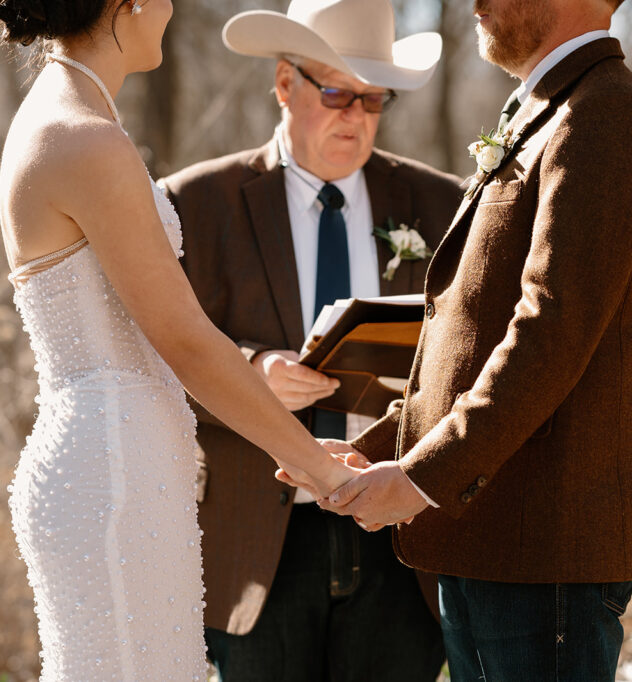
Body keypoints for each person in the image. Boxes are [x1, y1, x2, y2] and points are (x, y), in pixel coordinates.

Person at [285, 0, 632, 679]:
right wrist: (379, 453)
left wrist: (425, 477)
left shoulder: (606, 113)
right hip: (492, 539)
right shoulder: (547, 108)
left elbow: (550, 335)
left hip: (541, 553)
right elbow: (476, 335)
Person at [0, 0, 358, 679]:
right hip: (117, 473)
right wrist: (318, 467)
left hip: (112, 460)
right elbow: (185, 341)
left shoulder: (60, 118)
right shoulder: (86, 138)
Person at [158, 1, 461, 680]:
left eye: (372, 99)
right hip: (258, 542)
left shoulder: (441, 205)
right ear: (284, 83)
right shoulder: (195, 204)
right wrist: (250, 371)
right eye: (335, 92)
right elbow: (153, 360)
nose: (354, 117)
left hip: (397, 536)